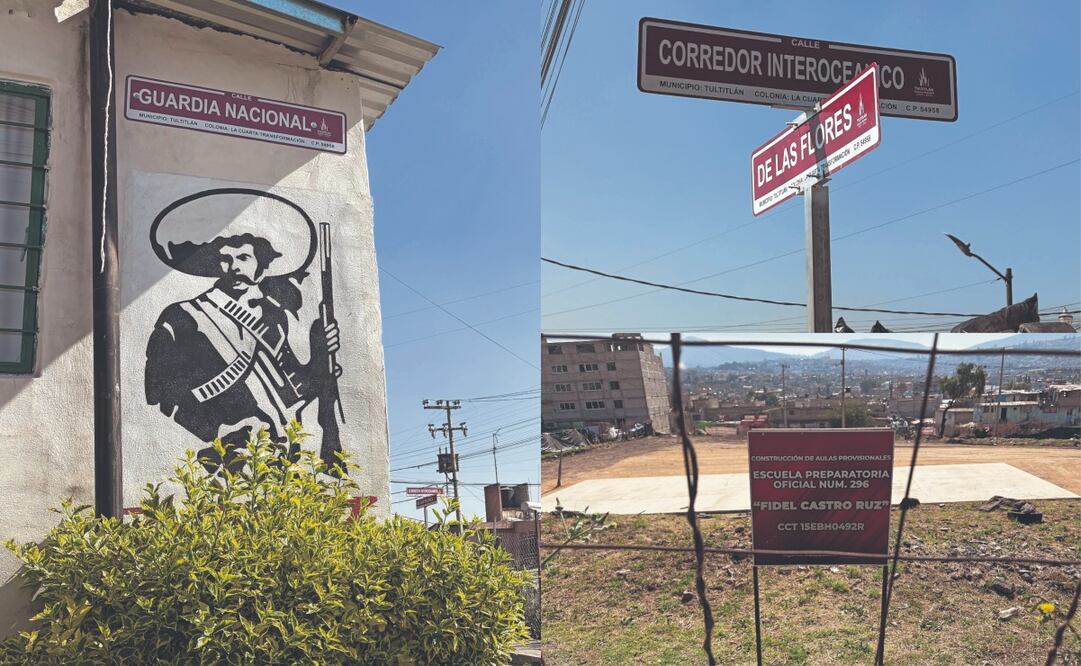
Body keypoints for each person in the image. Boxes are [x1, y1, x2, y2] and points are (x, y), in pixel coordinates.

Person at [145, 231, 340, 470]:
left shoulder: (274, 316)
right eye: (226, 259)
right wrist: (216, 430)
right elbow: (160, 394)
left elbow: (289, 388)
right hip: (229, 455)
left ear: (262, 263)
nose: (235, 267)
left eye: (244, 257)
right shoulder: (182, 316)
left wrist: (319, 355)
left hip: (284, 451)